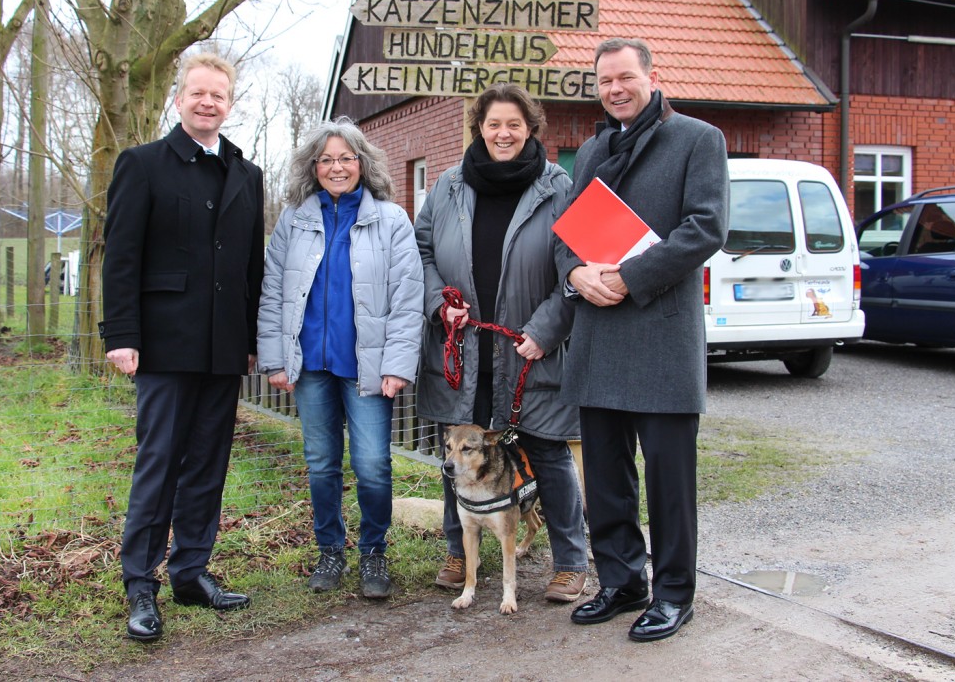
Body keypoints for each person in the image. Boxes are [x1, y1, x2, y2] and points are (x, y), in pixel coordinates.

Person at [556, 38, 729, 641]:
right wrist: (575, 273)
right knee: (605, 475)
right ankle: (622, 581)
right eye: (604, 82)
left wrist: (629, 278)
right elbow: (567, 235)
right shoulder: (592, 150)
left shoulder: (698, 140)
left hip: (661, 337)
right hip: (599, 335)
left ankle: (675, 593)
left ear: (651, 77)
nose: (614, 90)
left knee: (669, 479)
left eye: (625, 78)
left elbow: (705, 227)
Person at [100, 53, 265, 642]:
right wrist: (121, 336)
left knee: (208, 467)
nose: (207, 103)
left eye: (218, 95)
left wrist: (250, 341)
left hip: (224, 351)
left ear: (229, 103)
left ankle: (191, 571)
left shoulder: (246, 173)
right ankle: (140, 582)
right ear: (179, 99)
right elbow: (120, 258)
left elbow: (252, 267)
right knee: (160, 464)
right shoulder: (143, 165)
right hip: (164, 347)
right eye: (197, 93)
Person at [416, 83, 590, 603]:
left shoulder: (558, 187)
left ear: (531, 128)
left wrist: (545, 329)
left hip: (528, 347)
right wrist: (438, 305)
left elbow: (576, 268)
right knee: (459, 452)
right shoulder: (447, 187)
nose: (504, 133)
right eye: (494, 124)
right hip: (463, 348)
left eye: (514, 124)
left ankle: (571, 562)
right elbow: (421, 252)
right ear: (479, 128)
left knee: (547, 451)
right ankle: (458, 549)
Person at [257, 117, 423, 599]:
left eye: (346, 158)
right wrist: (275, 359)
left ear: (362, 164)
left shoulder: (390, 219)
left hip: (367, 368)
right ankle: (330, 548)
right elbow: (273, 292)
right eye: (326, 159)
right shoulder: (294, 218)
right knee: (322, 462)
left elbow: (409, 298)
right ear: (313, 167)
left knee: (371, 463)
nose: (336, 167)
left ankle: (374, 551)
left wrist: (397, 363)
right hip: (309, 366)